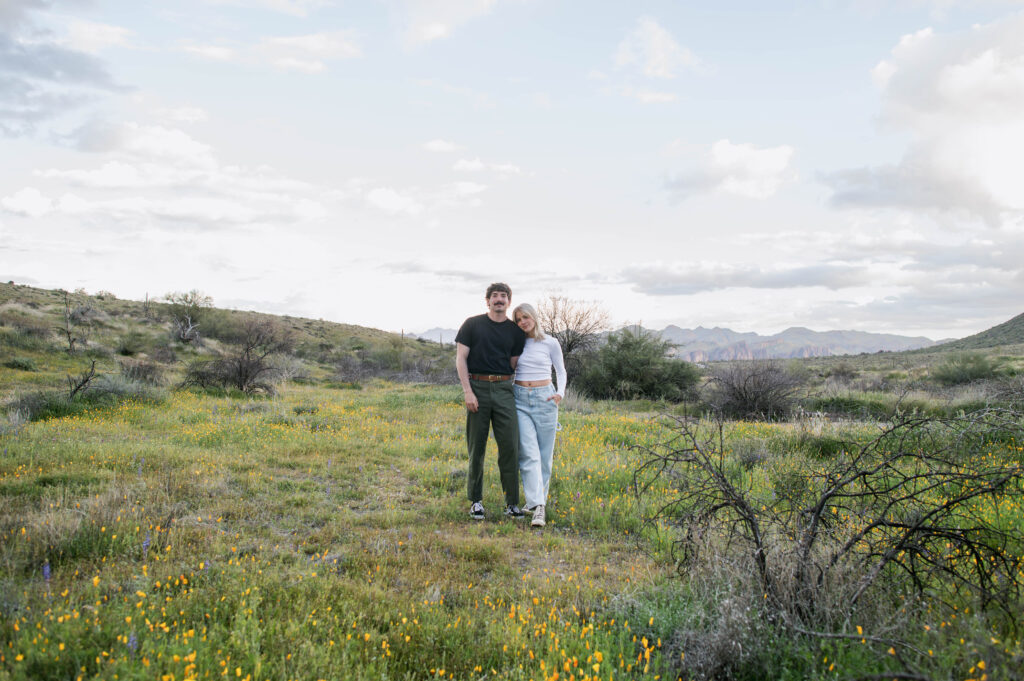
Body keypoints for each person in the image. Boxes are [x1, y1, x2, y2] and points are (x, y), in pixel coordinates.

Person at [455, 283, 528, 520]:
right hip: (477, 387)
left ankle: (512, 503)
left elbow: (515, 364)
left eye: (503, 296)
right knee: (477, 447)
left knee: (510, 446)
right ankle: (476, 501)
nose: (499, 299)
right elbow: (460, 359)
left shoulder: (516, 332)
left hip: (505, 389)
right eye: (494, 296)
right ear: (487, 301)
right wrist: (468, 391)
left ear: (508, 301)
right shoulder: (472, 325)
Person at [511, 303, 566, 528]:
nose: (523, 322)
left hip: (546, 398)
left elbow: (561, 370)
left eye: (525, 317)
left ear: (534, 317)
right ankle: (538, 506)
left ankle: (536, 501)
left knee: (545, 455)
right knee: (528, 453)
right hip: (520, 398)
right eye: (518, 319)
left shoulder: (550, 342)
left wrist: (559, 393)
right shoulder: (516, 343)